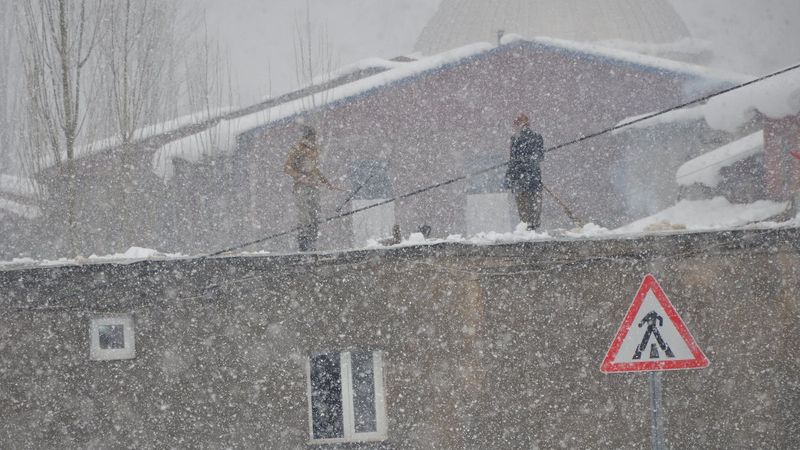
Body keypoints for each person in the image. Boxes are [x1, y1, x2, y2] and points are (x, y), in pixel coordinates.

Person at [284, 125, 341, 251]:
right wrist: (300, 176)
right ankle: (304, 244)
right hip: (301, 187)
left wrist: (325, 182)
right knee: (304, 215)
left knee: (315, 214)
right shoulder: (297, 149)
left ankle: (312, 241)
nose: (313, 139)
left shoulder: (314, 150)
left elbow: (314, 169)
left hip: (313, 187)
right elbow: (287, 168)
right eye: (312, 136)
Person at [504, 113, 545, 230]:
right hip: (532, 180)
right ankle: (532, 228)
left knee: (525, 211)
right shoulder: (535, 137)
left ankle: (528, 228)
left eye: (517, 123)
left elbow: (513, 161)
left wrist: (510, 178)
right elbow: (539, 157)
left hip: (524, 180)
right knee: (533, 209)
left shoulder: (518, 139)